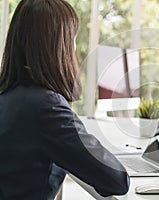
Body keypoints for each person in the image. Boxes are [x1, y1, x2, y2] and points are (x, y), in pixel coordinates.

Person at [0, 0, 129, 199]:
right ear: (59, 45)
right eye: (72, 38)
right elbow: (116, 179)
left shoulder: (8, 94)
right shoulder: (45, 107)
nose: (75, 47)